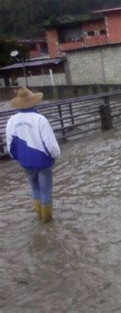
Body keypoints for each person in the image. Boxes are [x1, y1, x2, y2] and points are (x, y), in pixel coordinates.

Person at [6, 87, 61, 223]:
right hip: (43, 162)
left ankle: (39, 216)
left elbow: (10, 144)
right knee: (45, 190)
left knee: (35, 188)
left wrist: (18, 158)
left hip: (26, 162)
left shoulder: (12, 121)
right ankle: (47, 221)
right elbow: (51, 144)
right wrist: (55, 156)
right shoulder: (40, 119)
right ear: (33, 101)